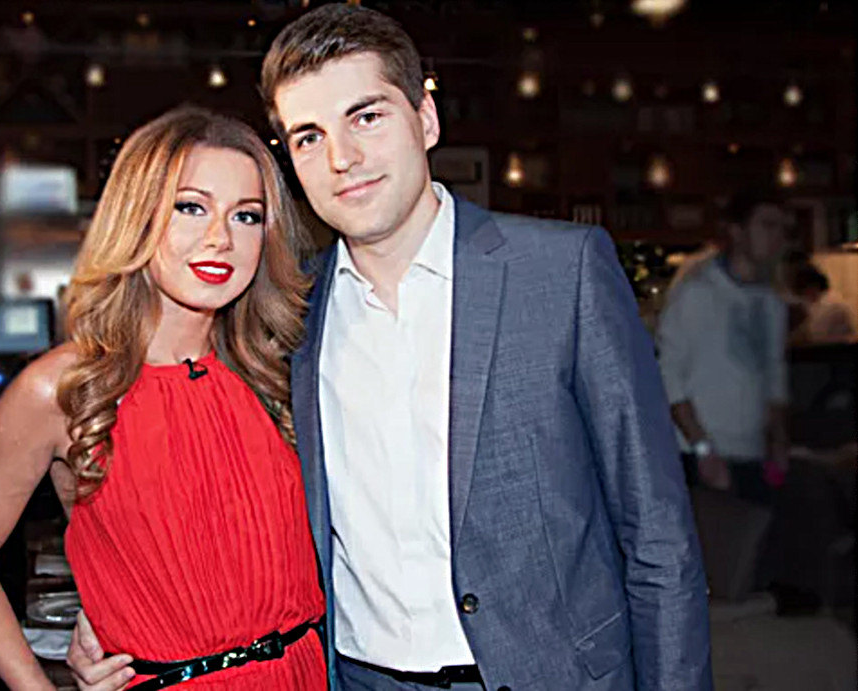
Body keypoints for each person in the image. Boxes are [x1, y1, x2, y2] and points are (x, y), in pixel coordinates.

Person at [70, 5, 710, 690]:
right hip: (358, 678)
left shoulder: (561, 272)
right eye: (309, 136)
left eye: (366, 116)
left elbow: (657, 537)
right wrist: (113, 601)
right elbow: (192, 483)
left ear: (425, 119)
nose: (341, 158)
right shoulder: (283, 314)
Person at [0, 107, 326, 691]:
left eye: (246, 215)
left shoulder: (282, 370)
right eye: (190, 207)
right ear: (137, 215)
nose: (220, 238)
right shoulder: (61, 389)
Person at [657, 189, 791, 505]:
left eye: (783, 228)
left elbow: (774, 376)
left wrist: (778, 438)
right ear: (737, 231)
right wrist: (702, 448)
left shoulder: (772, 303)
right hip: (699, 453)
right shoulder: (697, 294)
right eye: (767, 225)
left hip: (753, 453)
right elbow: (668, 376)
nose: (777, 236)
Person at [790, 263, 857, 343]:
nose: (803, 296)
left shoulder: (830, 304)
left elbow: (816, 336)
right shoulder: (817, 301)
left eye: (803, 290)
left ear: (813, 286)